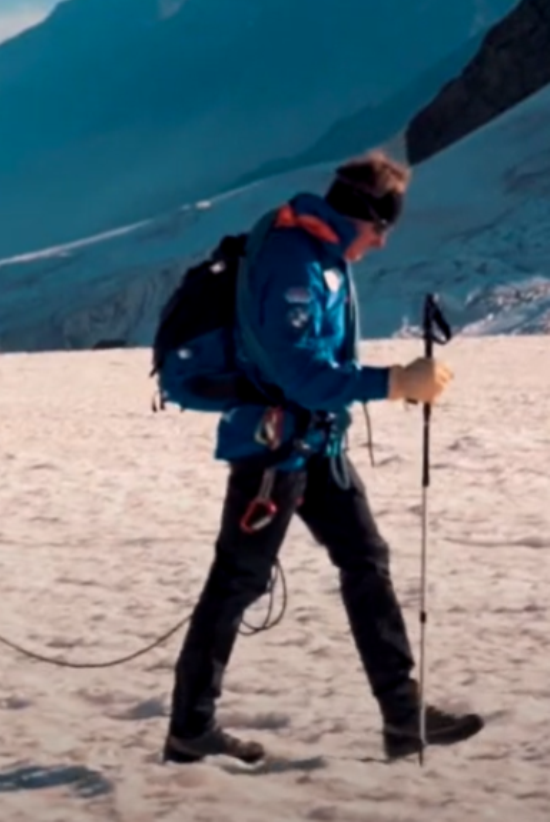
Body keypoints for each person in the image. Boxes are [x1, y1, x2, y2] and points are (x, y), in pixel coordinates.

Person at [163, 153, 484, 765]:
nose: (382, 243)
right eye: (380, 229)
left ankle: (402, 717)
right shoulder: (292, 257)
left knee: (366, 558)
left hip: (316, 443)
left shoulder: (323, 255)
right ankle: (189, 727)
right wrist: (393, 382)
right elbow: (300, 373)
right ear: (359, 215)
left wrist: (382, 386)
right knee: (237, 582)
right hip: (274, 449)